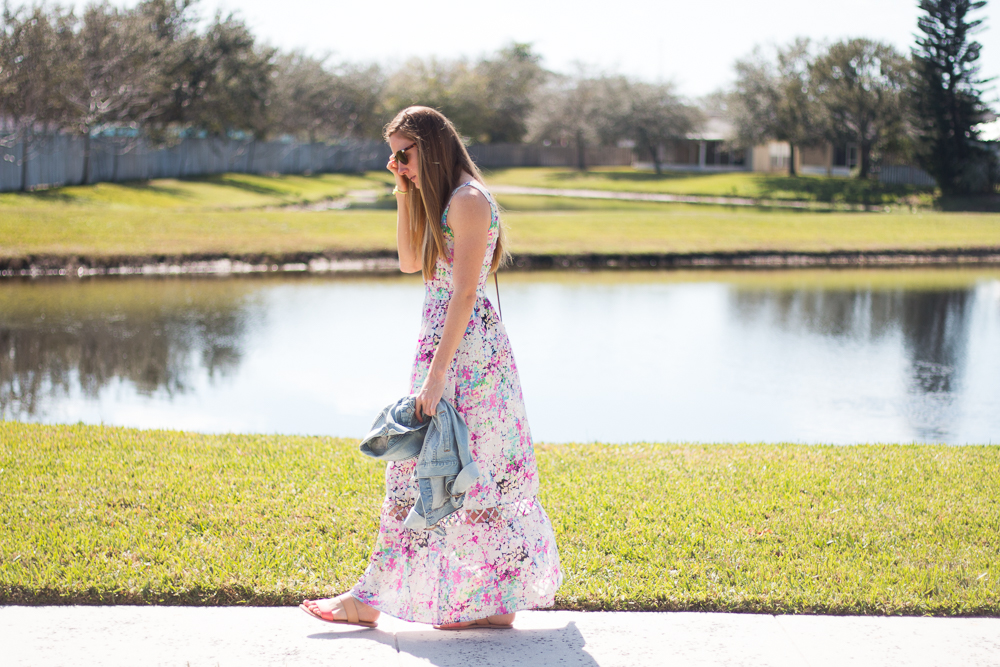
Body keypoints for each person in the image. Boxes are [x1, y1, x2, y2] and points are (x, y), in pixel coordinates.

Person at [301, 106, 562, 630]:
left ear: (432, 145)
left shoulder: (467, 200)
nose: (399, 162)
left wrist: (437, 374)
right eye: (393, 155)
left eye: (406, 153)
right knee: (460, 468)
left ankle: (372, 601)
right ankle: (490, 605)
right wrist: (402, 189)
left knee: (446, 469)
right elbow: (406, 258)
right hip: (448, 345)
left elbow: (465, 291)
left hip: (467, 355)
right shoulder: (441, 197)